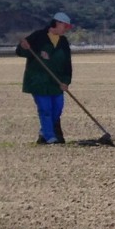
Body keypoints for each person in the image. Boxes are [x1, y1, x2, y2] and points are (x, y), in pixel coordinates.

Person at [16, 12, 74, 144]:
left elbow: (67, 64)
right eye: (65, 27)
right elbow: (21, 52)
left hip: (56, 82)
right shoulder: (38, 36)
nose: (66, 30)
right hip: (39, 82)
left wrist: (66, 81)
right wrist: (23, 47)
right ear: (57, 23)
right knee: (45, 109)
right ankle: (50, 137)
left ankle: (44, 131)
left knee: (57, 109)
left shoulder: (63, 42)